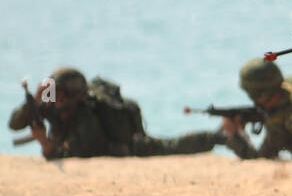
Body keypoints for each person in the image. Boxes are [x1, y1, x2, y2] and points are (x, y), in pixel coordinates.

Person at [8, 67, 227, 160]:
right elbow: (14, 124)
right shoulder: (54, 107)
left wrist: (45, 144)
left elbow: (77, 154)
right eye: (53, 95)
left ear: (73, 97)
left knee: (174, 146)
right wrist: (34, 103)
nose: (55, 101)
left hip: (131, 148)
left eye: (60, 95)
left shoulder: (86, 118)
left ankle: (218, 137)